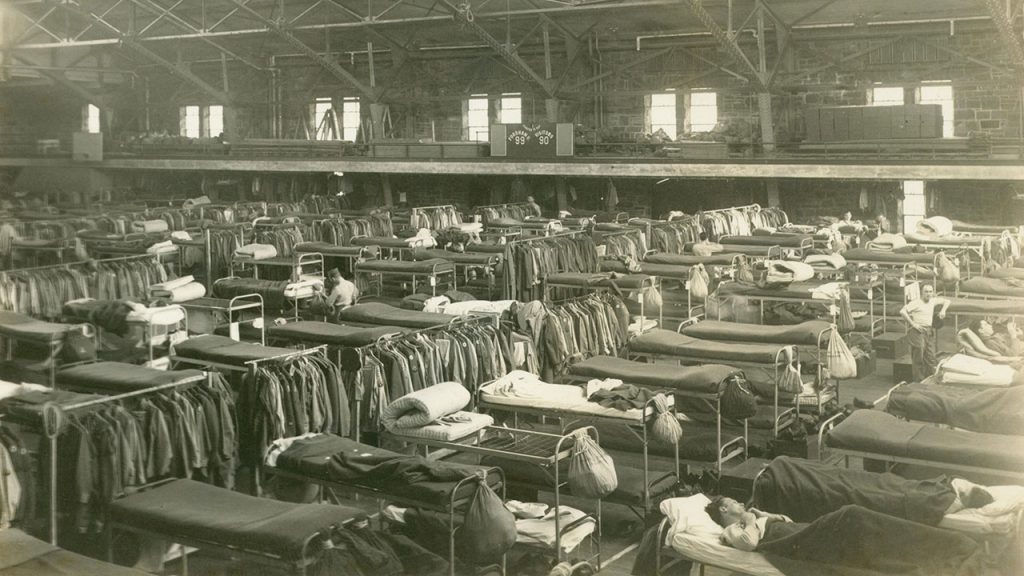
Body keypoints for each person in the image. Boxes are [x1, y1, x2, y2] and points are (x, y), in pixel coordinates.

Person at [708, 476, 993, 552]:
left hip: (801, 532)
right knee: (855, 515)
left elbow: (788, 522)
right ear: (724, 510)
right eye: (734, 503)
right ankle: (947, 542)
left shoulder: (751, 519)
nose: (740, 504)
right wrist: (751, 519)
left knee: (860, 518)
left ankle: (947, 541)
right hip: (798, 540)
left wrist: (767, 514)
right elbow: (749, 543)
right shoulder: (729, 531)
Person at [900, 283, 950, 381]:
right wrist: (913, 324)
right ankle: (918, 380)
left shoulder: (932, 301)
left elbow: (947, 301)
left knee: (930, 356)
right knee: (918, 356)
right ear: (922, 293)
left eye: (930, 291)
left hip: (928, 331)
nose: (928, 294)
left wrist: (943, 311)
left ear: (933, 293)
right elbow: (902, 311)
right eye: (926, 291)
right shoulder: (916, 302)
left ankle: (930, 379)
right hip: (917, 331)